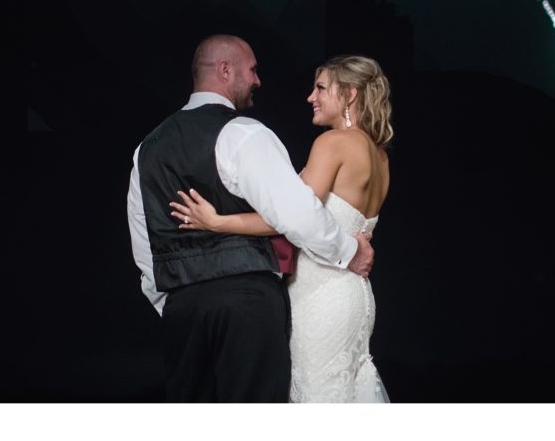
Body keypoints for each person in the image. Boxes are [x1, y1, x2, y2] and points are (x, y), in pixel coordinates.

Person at [126, 35, 374, 403]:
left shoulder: (147, 148)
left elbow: (143, 238)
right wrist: (347, 251)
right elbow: (298, 213)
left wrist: (171, 302)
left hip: (182, 309)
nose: (258, 80)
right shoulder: (245, 133)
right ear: (226, 70)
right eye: (253, 70)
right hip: (247, 304)